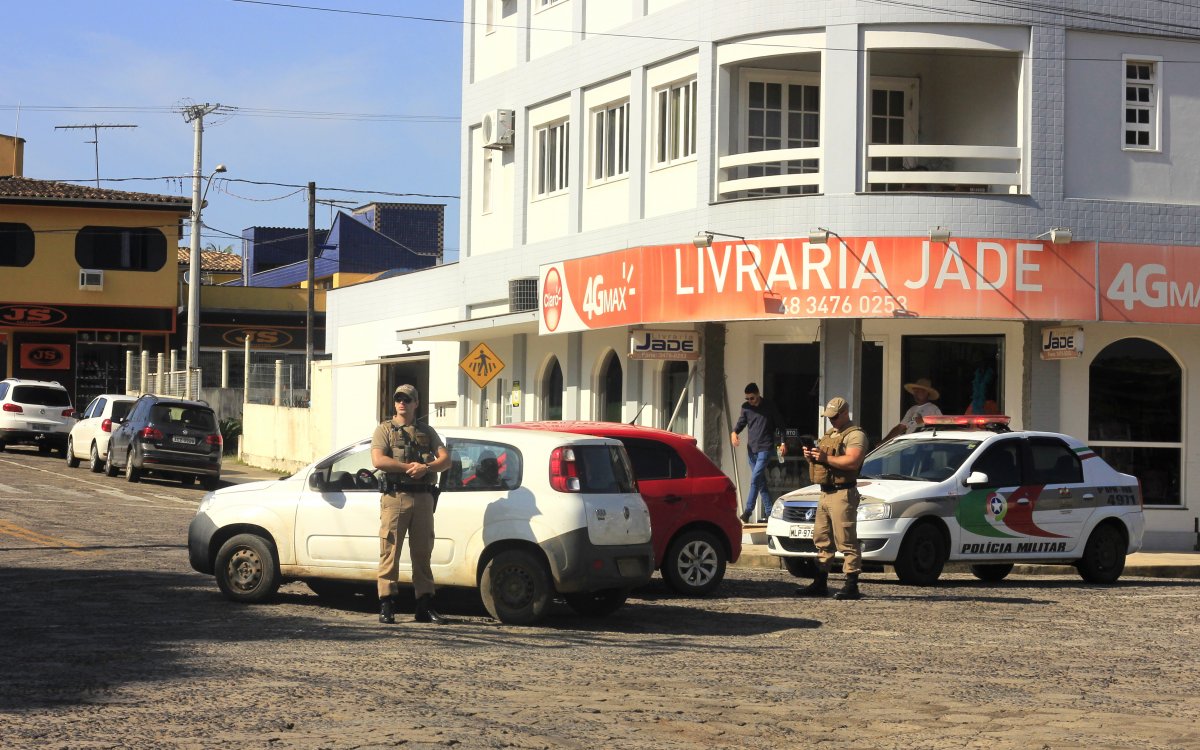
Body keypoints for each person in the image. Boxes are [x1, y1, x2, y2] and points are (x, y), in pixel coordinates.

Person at [371, 384, 451, 625]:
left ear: (416, 403)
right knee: (390, 550)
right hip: (396, 497)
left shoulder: (427, 431)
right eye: (398, 399)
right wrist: (409, 468)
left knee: (422, 551)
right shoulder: (384, 429)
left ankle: (424, 605)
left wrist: (426, 468)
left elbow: (445, 459)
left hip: (424, 497)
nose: (402, 403)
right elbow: (378, 459)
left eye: (407, 399)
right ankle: (387, 603)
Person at [797, 397, 868, 600]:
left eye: (835, 417)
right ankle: (820, 582)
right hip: (826, 492)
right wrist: (811, 455)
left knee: (846, 539)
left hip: (843, 492)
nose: (831, 421)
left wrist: (825, 458)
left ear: (845, 413)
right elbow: (824, 459)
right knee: (822, 538)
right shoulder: (831, 433)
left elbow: (853, 461)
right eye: (828, 417)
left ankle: (852, 584)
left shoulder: (855, 435)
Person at [730, 383, 786, 524]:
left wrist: (783, 442)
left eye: (752, 398)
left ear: (758, 394)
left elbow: (780, 424)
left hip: (765, 448)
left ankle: (748, 511)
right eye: (748, 398)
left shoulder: (769, 406)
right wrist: (734, 432)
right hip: (751, 450)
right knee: (760, 482)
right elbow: (741, 423)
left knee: (755, 479)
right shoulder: (746, 408)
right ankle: (769, 513)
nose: (750, 401)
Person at [881, 378, 942, 442]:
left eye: (918, 391)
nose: (915, 394)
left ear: (926, 393)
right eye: (915, 391)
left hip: (924, 444)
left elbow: (942, 425)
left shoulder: (933, 408)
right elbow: (900, 428)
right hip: (910, 445)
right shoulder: (912, 409)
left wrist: (924, 421)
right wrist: (884, 441)